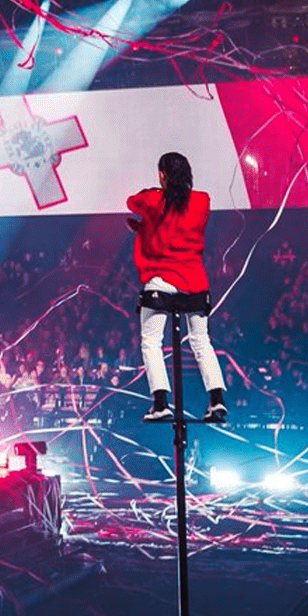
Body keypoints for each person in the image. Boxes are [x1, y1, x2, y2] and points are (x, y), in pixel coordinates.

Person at [128, 151, 228, 423]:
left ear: (162, 175)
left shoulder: (153, 200)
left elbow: (132, 201)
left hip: (161, 280)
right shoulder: (202, 201)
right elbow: (176, 226)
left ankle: (160, 403)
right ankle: (217, 400)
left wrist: (147, 221)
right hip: (194, 283)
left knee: (151, 342)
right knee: (201, 342)